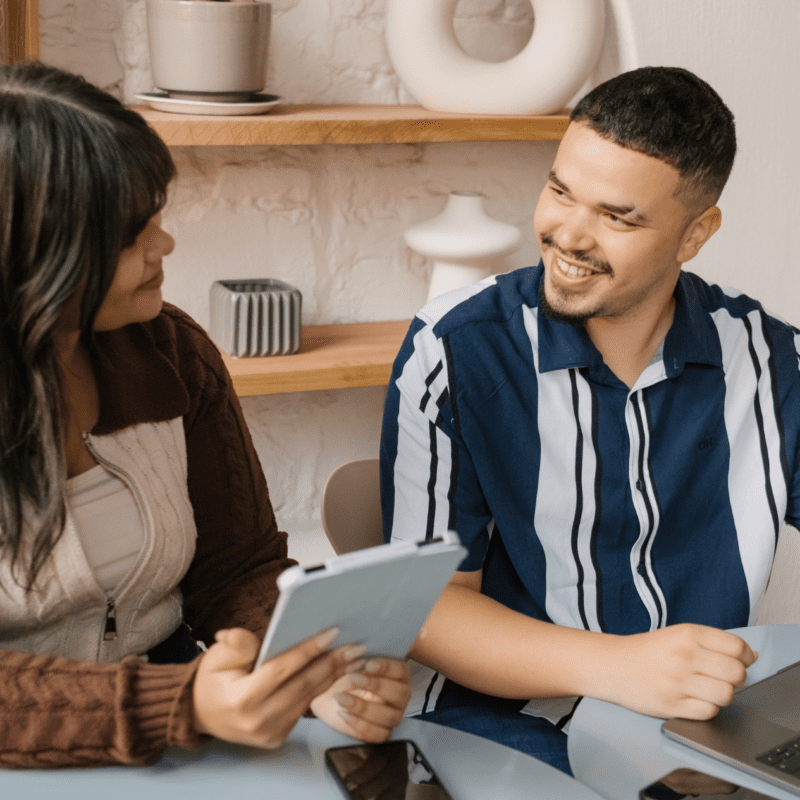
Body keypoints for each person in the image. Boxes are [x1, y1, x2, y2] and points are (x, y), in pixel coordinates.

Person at [380, 66, 797, 775]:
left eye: (617, 216)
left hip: (705, 732)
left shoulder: (771, 358)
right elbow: (426, 609)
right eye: (560, 190)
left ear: (695, 234)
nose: (567, 234)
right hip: (505, 729)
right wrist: (621, 665)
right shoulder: (453, 348)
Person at [0, 61, 411, 769]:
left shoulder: (171, 351)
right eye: (132, 234)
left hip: (179, 741)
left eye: (156, 215)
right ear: (36, 253)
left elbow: (238, 568)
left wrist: (308, 671)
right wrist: (177, 703)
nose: (165, 245)